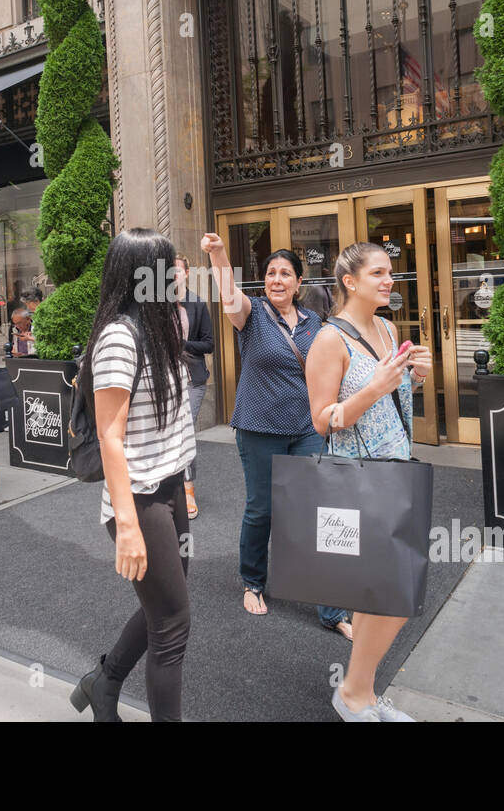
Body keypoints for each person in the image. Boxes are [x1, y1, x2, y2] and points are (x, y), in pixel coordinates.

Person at [69, 229, 195, 723]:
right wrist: (126, 526)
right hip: (139, 499)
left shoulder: (163, 327)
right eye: (170, 266)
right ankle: (108, 685)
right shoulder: (121, 337)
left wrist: (182, 484)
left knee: (165, 608)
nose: (180, 274)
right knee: (172, 623)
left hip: (167, 488)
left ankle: (104, 683)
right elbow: (110, 438)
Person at [306, 242, 434, 721]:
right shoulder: (328, 341)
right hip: (358, 480)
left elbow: (394, 399)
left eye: (391, 272)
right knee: (392, 591)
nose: (389, 280)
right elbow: (322, 421)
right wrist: (373, 388)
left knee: (387, 592)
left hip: (397, 469)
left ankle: (363, 693)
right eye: (378, 273)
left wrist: (413, 378)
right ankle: (355, 695)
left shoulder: (386, 328)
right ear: (350, 281)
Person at [200, 232, 352, 635]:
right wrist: (219, 255)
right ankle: (253, 582)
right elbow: (230, 296)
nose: (278, 279)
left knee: (318, 514)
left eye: (286, 273)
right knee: (262, 510)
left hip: (306, 428)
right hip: (259, 428)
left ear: (299, 283)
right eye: (271, 273)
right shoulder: (252, 316)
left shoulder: (314, 324)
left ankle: (332, 610)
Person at [173, 253, 214, 520]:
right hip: (163, 381)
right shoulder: (156, 304)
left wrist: (182, 345)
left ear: (187, 273)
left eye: (177, 270)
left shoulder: (197, 305)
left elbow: (209, 344)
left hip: (192, 379)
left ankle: (188, 490)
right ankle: (169, 489)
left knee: (184, 433)